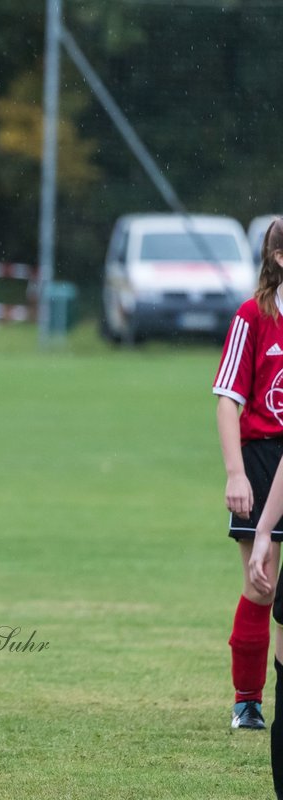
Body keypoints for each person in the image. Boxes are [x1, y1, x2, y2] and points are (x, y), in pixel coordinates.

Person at [215, 217, 283, 733]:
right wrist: (236, 474)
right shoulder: (252, 317)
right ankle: (247, 701)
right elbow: (226, 402)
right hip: (261, 457)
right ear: (279, 258)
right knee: (262, 585)